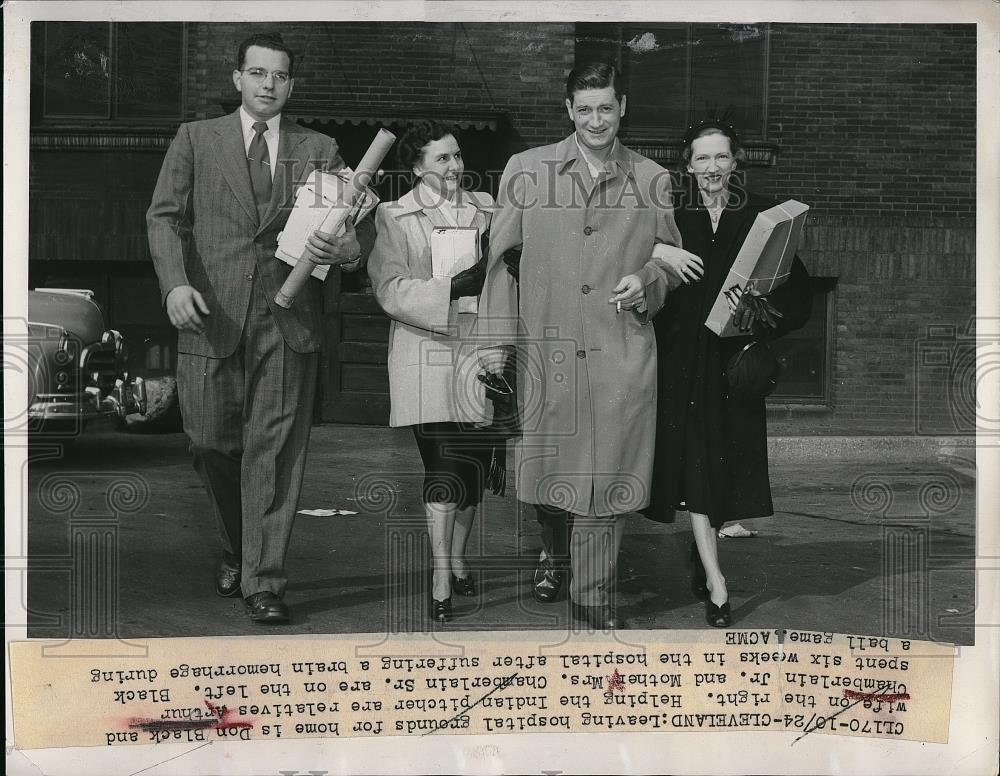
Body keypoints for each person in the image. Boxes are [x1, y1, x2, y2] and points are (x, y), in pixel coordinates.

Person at [146, 33, 374, 624]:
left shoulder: (319, 149)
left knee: (272, 452)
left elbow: (355, 230)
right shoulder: (196, 140)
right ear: (237, 79)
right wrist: (174, 284)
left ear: (291, 85)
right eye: (258, 73)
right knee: (209, 442)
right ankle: (240, 545)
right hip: (209, 315)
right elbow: (164, 218)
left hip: (288, 319)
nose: (268, 84)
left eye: (280, 76)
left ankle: (263, 580)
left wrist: (350, 247)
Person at [478, 62, 696, 630]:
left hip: (620, 351)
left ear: (622, 107)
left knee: (609, 479)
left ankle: (592, 596)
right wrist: (497, 349)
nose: (596, 119)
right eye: (585, 108)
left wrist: (647, 280)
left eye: (606, 107)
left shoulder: (651, 178)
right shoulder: (527, 171)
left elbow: (668, 262)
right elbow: (501, 266)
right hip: (548, 351)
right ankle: (558, 555)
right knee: (555, 478)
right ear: (568, 110)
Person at [644, 119, 812, 627]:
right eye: (702, 159)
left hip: (731, 366)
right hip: (683, 362)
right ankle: (718, 583)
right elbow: (631, 264)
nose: (712, 168)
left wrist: (763, 312)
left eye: (721, 158)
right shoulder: (671, 217)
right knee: (697, 464)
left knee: (720, 466)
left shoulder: (762, 215)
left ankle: (703, 552)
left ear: (735, 162)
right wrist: (658, 251)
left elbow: (795, 293)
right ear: (688, 165)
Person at [367, 121, 496, 624]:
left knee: (475, 471)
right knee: (443, 468)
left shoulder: (488, 208)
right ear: (417, 167)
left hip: (483, 353)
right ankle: (442, 573)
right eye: (441, 159)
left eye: (457, 156)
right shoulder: (395, 215)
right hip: (426, 354)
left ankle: (459, 557)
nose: (454, 167)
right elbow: (389, 289)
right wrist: (451, 287)